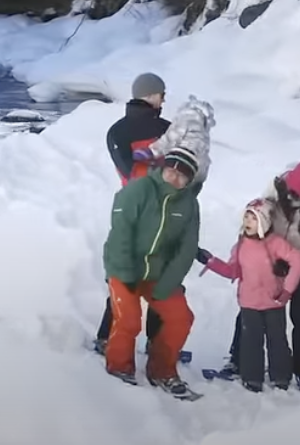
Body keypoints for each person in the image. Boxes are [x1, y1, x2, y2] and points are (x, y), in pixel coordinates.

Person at [210, 159, 300, 390]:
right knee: (254, 303)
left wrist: (297, 259)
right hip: (268, 250)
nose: (291, 195)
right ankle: (238, 360)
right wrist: (262, 244)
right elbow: (261, 210)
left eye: (298, 194)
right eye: (290, 190)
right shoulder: (278, 183)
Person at [102, 147, 203, 398]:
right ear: (163, 169)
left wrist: (168, 283)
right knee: (129, 319)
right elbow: (121, 233)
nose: (176, 179)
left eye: (183, 176)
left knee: (181, 318)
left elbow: (187, 247)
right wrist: (125, 274)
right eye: (172, 171)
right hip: (124, 265)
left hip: (158, 271)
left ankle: (162, 369)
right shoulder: (139, 190)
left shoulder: (189, 203)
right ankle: (119, 367)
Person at [95, 72, 171, 355]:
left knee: (129, 276)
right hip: (156, 211)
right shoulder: (167, 129)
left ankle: (109, 337)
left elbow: (129, 172)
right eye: (162, 93)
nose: (164, 98)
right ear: (150, 95)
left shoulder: (116, 131)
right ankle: (154, 341)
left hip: (133, 210)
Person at [198, 198, 300, 392]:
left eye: (253, 218)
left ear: (264, 222)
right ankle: (251, 378)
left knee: (278, 341)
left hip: (274, 302)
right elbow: (233, 271)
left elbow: (297, 261)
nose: (247, 221)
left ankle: (281, 377)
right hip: (249, 303)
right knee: (251, 342)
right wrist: (211, 262)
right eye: (246, 217)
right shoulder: (241, 245)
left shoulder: (276, 243)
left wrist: (287, 290)